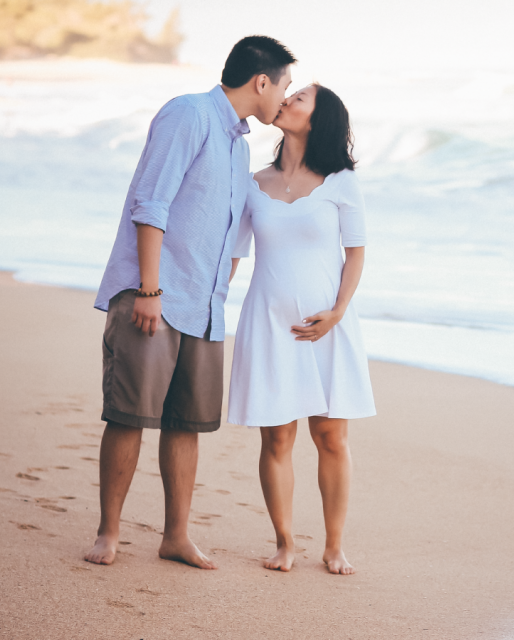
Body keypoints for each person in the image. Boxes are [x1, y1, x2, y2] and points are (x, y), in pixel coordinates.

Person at [85, 36, 296, 569]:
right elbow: (151, 203)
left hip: (204, 307)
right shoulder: (189, 114)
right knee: (129, 414)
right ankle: (109, 532)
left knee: (187, 423)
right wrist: (149, 290)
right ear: (262, 81)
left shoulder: (240, 146)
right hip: (155, 296)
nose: (284, 98)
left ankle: (175, 537)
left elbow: (225, 233)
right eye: (285, 86)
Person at [228, 83, 376, 575]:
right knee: (276, 439)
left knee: (331, 437)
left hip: (328, 327)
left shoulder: (341, 182)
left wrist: (337, 311)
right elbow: (234, 254)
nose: (287, 100)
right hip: (268, 324)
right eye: (290, 94)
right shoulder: (253, 182)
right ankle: (285, 543)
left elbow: (356, 254)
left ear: (318, 118)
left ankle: (334, 546)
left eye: (300, 98)